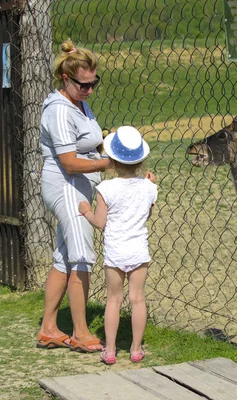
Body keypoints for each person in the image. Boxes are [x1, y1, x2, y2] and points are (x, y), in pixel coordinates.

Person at [35, 40, 110, 353]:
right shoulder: (60, 111)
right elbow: (68, 161)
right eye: (84, 84)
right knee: (81, 257)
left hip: (78, 185)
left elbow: (88, 143)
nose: (89, 90)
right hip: (66, 185)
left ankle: (48, 329)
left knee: (64, 256)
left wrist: (110, 145)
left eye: (94, 83)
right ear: (66, 79)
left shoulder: (78, 102)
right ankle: (80, 332)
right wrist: (108, 163)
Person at [78, 126, 158, 365]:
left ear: (111, 160)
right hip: (138, 250)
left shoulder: (106, 189)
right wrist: (150, 186)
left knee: (114, 299)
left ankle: (110, 350)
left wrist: (87, 211)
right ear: (141, 160)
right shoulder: (149, 187)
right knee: (137, 299)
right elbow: (146, 215)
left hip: (115, 251)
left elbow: (101, 223)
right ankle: (135, 349)